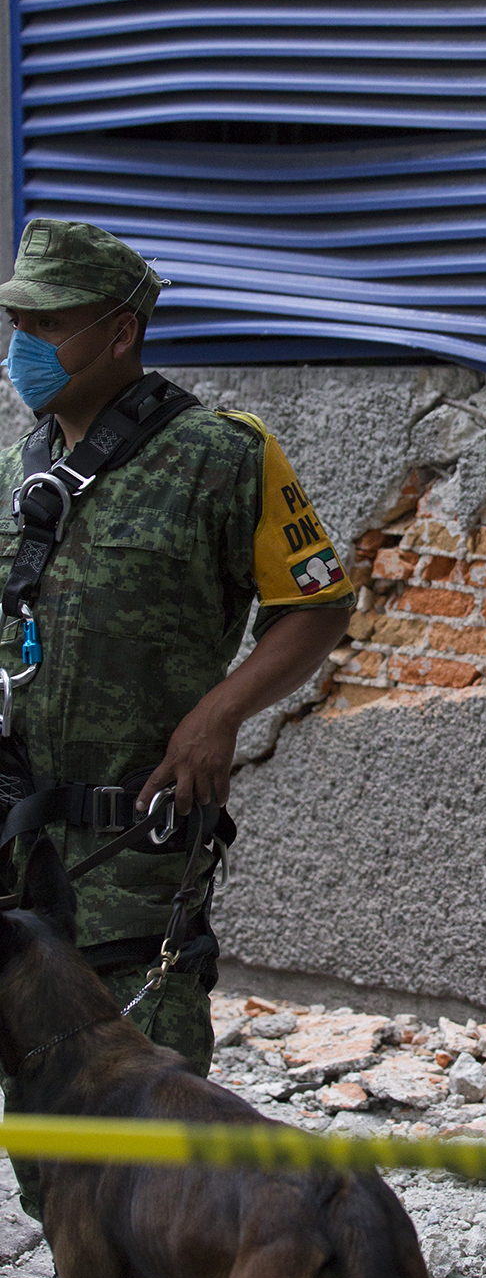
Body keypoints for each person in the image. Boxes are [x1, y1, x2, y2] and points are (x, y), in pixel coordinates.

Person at [0, 219, 355, 1217]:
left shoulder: (222, 455)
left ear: (120, 332)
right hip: (21, 837)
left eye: (47, 323)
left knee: (145, 1110)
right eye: (16, 320)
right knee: (42, 1112)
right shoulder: (17, 468)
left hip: (136, 838)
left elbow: (319, 603)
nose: (24, 343)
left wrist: (219, 713)